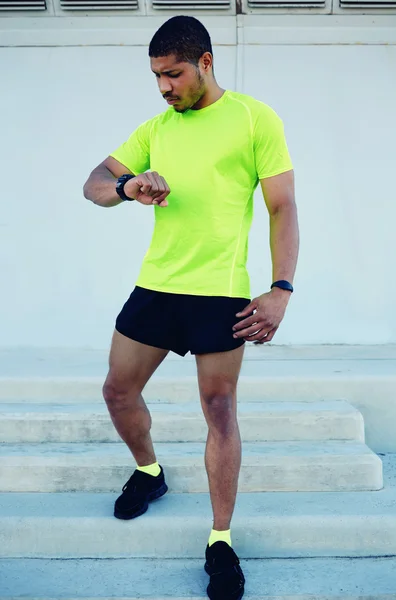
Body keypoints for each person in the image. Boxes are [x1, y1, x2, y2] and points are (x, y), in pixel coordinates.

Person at [83, 15, 299, 600]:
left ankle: (220, 540)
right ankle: (149, 472)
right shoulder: (155, 128)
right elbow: (95, 183)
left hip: (221, 289)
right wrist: (128, 188)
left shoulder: (255, 118)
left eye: (173, 74)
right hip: (157, 285)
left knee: (219, 408)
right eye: (156, 76)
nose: (164, 87)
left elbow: (282, 207)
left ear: (204, 62)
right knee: (116, 391)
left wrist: (280, 289)